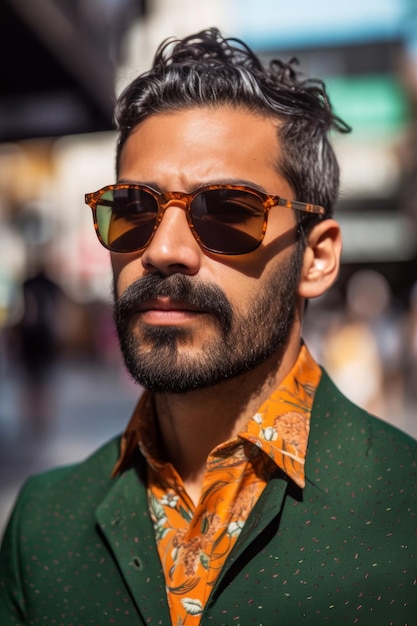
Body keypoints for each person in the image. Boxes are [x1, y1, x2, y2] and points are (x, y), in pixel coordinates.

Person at [0, 28, 416, 625]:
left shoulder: (405, 513)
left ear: (317, 258)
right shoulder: (42, 525)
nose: (165, 250)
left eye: (227, 211)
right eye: (133, 209)